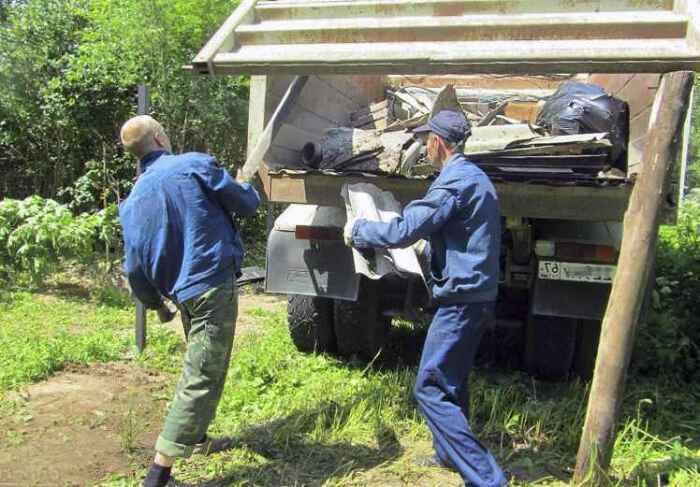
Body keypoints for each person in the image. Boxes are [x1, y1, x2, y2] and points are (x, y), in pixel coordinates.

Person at [344, 110, 507, 487]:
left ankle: (488, 479)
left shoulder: (453, 184)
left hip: (462, 300)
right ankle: (449, 454)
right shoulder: (474, 178)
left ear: (437, 142)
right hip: (476, 295)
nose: (422, 147)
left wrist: (359, 230)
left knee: (430, 388)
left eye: (424, 140)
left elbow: (404, 229)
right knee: (453, 380)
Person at [118, 115, 261, 487]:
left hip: (182, 294)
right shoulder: (194, 165)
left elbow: (134, 268)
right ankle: (159, 474)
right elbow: (245, 204)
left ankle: (195, 438)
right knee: (202, 373)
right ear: (161, 137)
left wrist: (156, 304)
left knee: (200, 359)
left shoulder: (132, 201)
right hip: (212, 284)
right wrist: (251, 186)